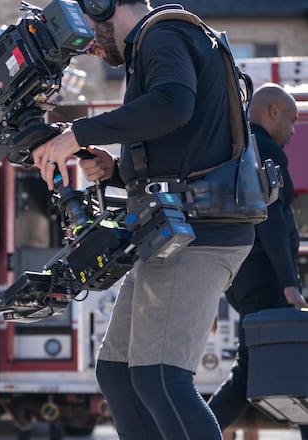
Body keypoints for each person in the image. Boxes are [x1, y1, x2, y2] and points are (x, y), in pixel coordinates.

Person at [32, 0, 255, 438]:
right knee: (117, 373)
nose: (87, 48)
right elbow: (185, 145)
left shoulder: (163, 33)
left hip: (196, 233)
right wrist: (116, 170)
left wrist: (78, 133)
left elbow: (172, 106)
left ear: (103, 5)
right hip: (174, 230)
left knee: (160, 378)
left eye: (84, 30)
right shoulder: (157, 41)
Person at [207, 83, 308, 439]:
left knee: (252, 371)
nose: (294, 131)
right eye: (292, 120)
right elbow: (271, 220)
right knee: (294, 361)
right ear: (273, 112)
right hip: (266, 280)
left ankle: (192, 433)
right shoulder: (265, 150)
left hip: (241, 279)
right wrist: (290, 283)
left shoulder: (232, 149)